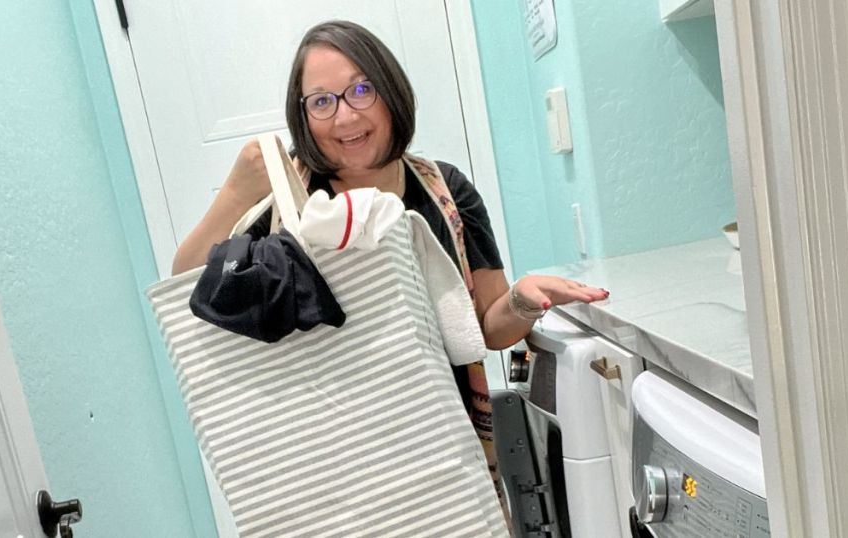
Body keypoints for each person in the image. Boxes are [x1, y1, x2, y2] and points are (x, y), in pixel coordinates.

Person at [171, 18, 609, 523]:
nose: (344, 117)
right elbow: (187, 285)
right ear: (304, 117)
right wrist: (236, 195)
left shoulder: (445, 192)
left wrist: (523, 301)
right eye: (322, 101)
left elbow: (485, 328)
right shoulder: (286, 198)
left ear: (390, 90)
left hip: (439, 454)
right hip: (325, 469)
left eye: (361, 89)